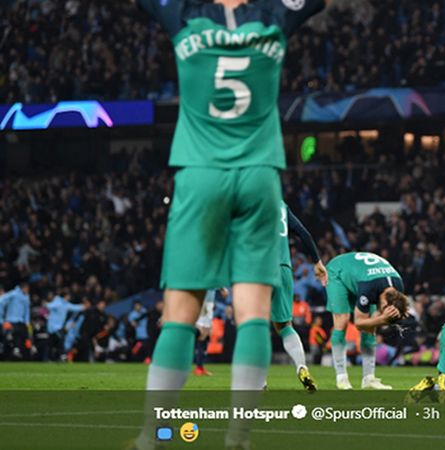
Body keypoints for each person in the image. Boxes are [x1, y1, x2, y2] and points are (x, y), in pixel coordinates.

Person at [130, 0, 328, 448]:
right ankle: (238, 438)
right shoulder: (276, 14)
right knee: (255, 316)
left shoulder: (182, 14)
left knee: (179, 316)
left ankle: (152, 437)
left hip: (200, 174)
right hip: (259, 176)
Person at [325, 252, 410, 390]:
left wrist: (389, 318)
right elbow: (358, 323)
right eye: (383, 308)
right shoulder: (369, 288)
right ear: (384, 301)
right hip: (338, 272)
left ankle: (368, 378)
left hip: (362, 274)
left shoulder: (398, 287)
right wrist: (382, 318)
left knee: (370, 328)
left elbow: (372, 321)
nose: (381, 311)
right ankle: (341, 377)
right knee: (342, 321)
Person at [269, 202, 327, 391]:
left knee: (253, 324)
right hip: (284, 269)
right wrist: (317, 262)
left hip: (259, 268)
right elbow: (304, 233)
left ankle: (259, 382)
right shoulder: (282, 205)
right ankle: (302, 367)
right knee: (285, 326)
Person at [46, 290, 84, 361]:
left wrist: (83, 307)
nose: (69, 297)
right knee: (61, 338)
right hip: (53, 327)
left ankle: (52, 358)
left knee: (52, 343)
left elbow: (74, 307)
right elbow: (50, 306)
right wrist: (46, 304)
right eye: (68, 296)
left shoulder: (66, 304)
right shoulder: (58, 302)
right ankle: (62, 354)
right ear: (65, 296)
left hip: (58, 327)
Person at [0, 282, 31, 360]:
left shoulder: (26, 296)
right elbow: (1, 301)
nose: (28, 290)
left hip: (21, 321)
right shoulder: (13, 294)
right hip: (10, 321)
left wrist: (27, 321)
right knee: (10, 338)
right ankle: (8, 353)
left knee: (22, 338)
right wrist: (2, 319)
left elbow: (27, 310)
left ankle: (17, 350)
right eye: (27, 288)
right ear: (23, 288)